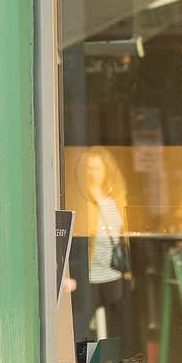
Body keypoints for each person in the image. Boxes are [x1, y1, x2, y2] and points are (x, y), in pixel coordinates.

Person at [71, 147, 134, 349]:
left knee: (115, 324)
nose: (93, 173)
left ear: (106, 170)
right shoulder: (80, 198)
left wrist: (128, 271)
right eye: (89, 168)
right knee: (85, 325)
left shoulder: (117, 196)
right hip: (89, 274)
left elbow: (123, 234)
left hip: (113, 273)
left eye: (97, 168)